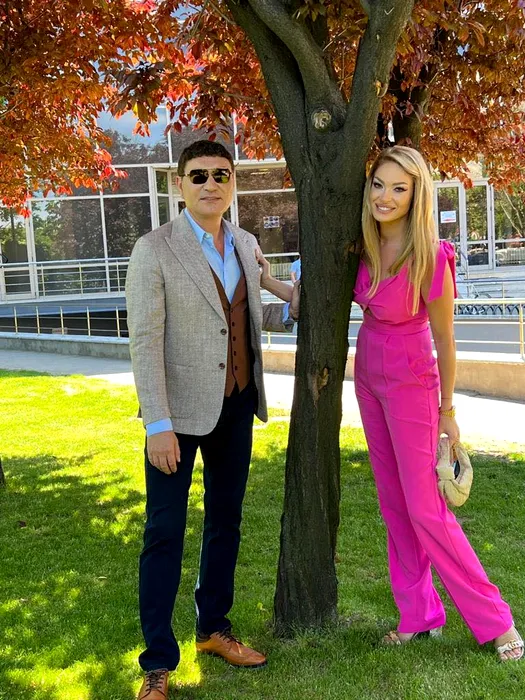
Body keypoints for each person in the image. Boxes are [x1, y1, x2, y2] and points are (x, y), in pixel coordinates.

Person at [126, 139, 300, 700]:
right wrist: (157, 423)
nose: (210, 184)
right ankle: (157, 662)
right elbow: (145, 341)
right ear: (179, 184)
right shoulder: (154, 249)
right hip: (176, 416)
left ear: (232, 183)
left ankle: (213, 629)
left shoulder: (245, 243)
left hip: (236, 404)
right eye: (198, 175)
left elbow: (246, 317)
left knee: (226, 521)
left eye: (221, 174)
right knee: (164, 532)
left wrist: (290, 298)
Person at [352, 145, 523, 661]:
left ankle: (496, 621)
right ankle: (418, 616)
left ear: (415, 195)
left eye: (398, 188)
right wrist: (269, 280)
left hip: (412, 377)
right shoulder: (361, 243)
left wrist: (448, 410)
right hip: (368, 372)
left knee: (426, 507)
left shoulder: (430, 254)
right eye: (378, 184)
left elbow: (446, 340)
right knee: (393, 504)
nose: (385, 196)